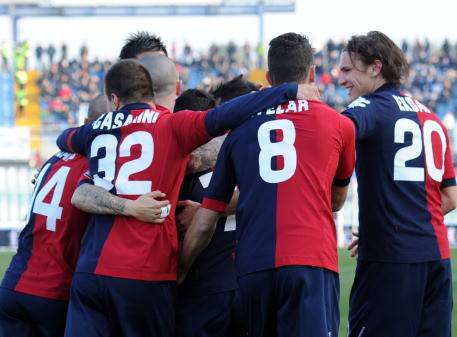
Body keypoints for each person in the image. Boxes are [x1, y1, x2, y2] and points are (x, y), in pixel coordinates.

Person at [56, 57, 308, 337]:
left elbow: (64, 139)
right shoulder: (173, 126)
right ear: (153, 93)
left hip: (90, 272)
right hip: (146, 272)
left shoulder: (95, 129)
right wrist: (284, 92)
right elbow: (223, 118)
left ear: (114, 99)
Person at [179, 32, 356, 337]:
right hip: (311, 261)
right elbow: (337, 201)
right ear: (312, 73)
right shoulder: (340, 124)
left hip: (254, 265)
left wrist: (180, 269)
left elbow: (205, 221)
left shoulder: (239, 132)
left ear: (270, 78)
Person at [0, 94, 165, 337]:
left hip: (14, 285)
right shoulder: (100, 166)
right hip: (54, 292)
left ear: (87, 121)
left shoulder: (53, 159)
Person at [336, 31, 457, 337]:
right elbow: (451, 196)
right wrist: (397, 223)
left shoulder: (369, 109)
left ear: (375, 67)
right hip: (437, 259)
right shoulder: (433, 119)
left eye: (348, 70)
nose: (340, 79)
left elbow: (333, 132)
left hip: (390, 261)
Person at [175, 85, 252, 337]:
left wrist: (181, 269)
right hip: (242, 284)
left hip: (203, 288)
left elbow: (201, 227)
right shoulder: (240, 164)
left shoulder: (180, 174)